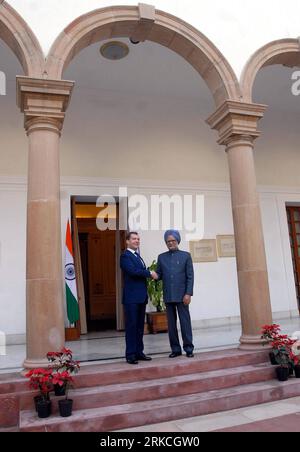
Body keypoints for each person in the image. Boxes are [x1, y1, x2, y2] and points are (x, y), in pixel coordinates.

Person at [155, 230, 194, 358]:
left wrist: (188, 293)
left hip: (182, 296)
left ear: (177, 241)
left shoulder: (186, 256)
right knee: (171, 325)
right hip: (168, 295)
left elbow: (190, 277)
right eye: (168, 241)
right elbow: (159, 275)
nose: (170, 243)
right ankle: (175, 349)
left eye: (173, 241)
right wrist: (152, 275)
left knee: (185, 323)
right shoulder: (161, 257)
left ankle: (188, 348)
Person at [120, 231, 157, 364]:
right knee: (131, 326)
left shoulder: (138, 256)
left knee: (140, 327)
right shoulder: (125, 256)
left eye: (138, 239)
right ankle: (130, 354)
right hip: (131, 299)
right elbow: (133, 272)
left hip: (141, 298)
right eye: (134, 239)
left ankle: (139, 352)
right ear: (127, 241)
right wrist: (149, 273)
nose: (137, 241)